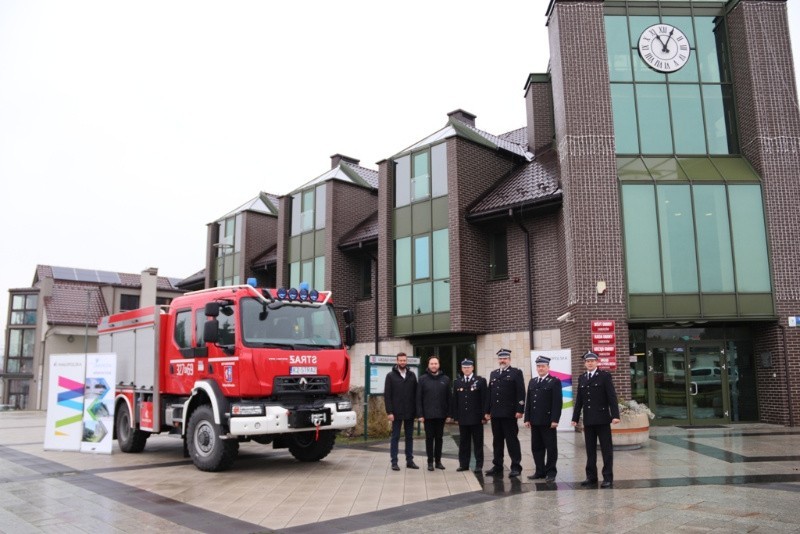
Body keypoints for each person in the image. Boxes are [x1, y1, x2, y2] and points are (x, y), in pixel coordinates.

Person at [571, 351, 620, 488]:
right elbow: (579, 400)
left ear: (597, 362)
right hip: (588, 420)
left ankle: (608, 477)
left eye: (592, 361)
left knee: (606, 450)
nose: (590, 363)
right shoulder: (582, 378)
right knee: (590, 450)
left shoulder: (604, 376)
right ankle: (591, 476)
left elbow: (612, 397)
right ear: (584, 363)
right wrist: (575, 418)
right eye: (587, 361)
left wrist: (615, 415)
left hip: (603, 419)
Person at [484, 348, 525, 478]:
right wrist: (487, 411)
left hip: (509, 413)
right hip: (496, 413)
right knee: (497, 441)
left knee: (512, 441)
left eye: (505, 358)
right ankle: (497, 466)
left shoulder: (516, 373)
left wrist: (520, 410)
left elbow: (521, 392)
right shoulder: (493, 374)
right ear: (498, 360)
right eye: (501, 358)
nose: (502, 360)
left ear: (509, 359)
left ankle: (516, 466)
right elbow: (489, 393)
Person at [523, 355, 563, 482]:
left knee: (551, 448)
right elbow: (528, 401)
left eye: (543, 366)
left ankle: (551, 472)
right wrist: (527, 418)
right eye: (538, 366)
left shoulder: (554, 381)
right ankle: (539, 471)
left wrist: (555, 419)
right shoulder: (533, 381)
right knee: (536, 447)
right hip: (535, 420)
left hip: (548, 421)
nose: (540, 368)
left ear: (548, 367)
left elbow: (557, 402)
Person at [450, 358, 488, 473]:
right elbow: (455, 401)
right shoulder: (457, 382)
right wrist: (455, 417)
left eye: (468, 367)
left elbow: (484, 399)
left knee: (478, 443)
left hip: (477, 418)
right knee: (464, 443)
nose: (466, 369)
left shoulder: (480, 381)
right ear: (461, 369)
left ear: (472, 368)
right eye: (464, 367)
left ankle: (479, 465)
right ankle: (464, 464)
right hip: (463, 418)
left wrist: (483, 416)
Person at [384, 352, 419, 471]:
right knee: (395, 437)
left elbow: (416, 394)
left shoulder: (412, 375)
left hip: (410, 411)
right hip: (396, 412)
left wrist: (417, 411)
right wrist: (389, 412)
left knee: (409, 437)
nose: (403, 362)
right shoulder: (390, 376)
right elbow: (387, 396)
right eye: (401, 360)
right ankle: (394, 462)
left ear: (406, 361)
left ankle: (410, 461)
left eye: (404, 360)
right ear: (397, 361)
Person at [416, 356, 451, 471]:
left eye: (436, 363)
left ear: (439, 365)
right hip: (428, 416)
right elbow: (418, 398)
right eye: (432, 363)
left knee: (439, 438)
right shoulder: (422, 379)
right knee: (429, 439)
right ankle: (430, 462)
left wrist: (449, 414)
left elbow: (449, 398)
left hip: (441, 415)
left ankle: (438, 461)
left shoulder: (445, 379)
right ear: (428, 365)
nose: (434, 365)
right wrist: (420, 414)